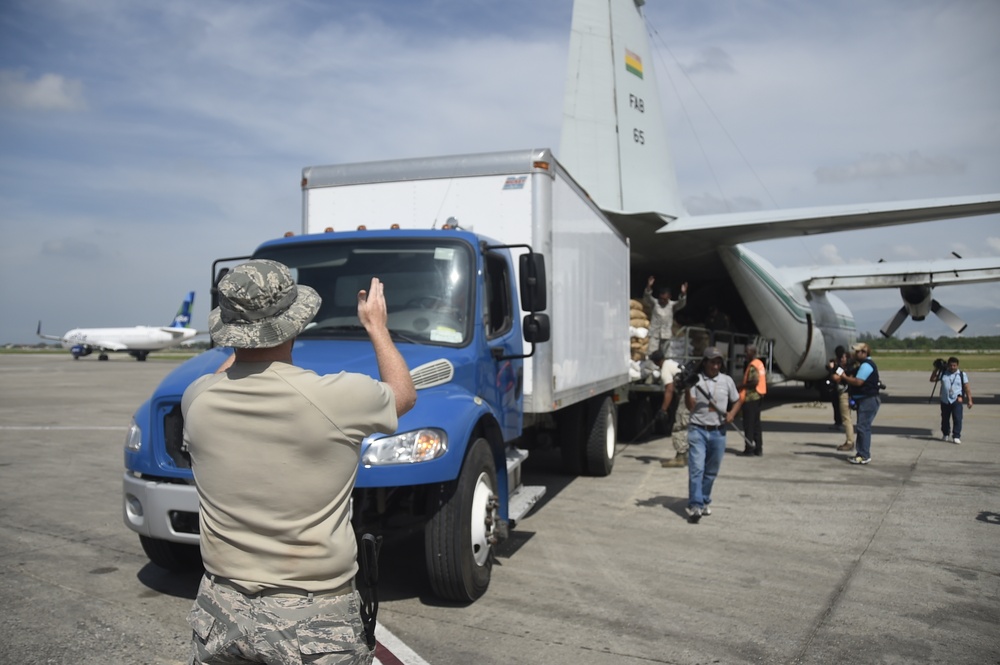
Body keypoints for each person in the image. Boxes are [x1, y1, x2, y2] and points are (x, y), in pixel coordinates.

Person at [181, 259, 416, 665]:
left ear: (230, 326)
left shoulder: (197, 398)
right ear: (296, 324)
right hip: (312, 617)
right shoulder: (338, 398)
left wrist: (247, 337)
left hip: (220, 608)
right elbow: (403, 394)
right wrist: (376, 326)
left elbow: (234, 368)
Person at [684, 346, 742, 523]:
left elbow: (737, 400)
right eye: (712, 362)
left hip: (718, 432)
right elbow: (690, 406)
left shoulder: (727, 381)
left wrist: (732, 413)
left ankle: (704, 499)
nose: (715, 366)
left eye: (718, 362)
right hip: (698, 430)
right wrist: (687, 389)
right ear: (705, 363)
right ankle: (695, 505)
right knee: (697, 469)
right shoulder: (696, 381)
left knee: (711, 471)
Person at [831, 342, 879, 465]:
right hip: (864, 400)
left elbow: (858, 382)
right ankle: (861, 453)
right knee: (863, 427)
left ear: (865, 352)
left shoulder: (866, 366)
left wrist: (844, 377)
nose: (855, 354)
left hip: (868, 400)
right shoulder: (862, 365)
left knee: (863, 428)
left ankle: (864, 455)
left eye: (858, 352)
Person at [650, 350, 689, 468]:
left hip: (688, 393)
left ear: (656, 362)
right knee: (690, 424)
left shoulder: (665, 369)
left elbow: (669, 389)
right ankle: (688, 454)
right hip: (694, 392)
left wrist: (663, 409)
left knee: (679, 424)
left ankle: (681, 457)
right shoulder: (671, 363)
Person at [930, 356, 973, 444]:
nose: (952, 367)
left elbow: (967, 387)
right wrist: (936, 369)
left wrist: (970, 400)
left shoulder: (962, 375)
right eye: (951, 365)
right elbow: (932, 379)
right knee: (945, 419)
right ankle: (945, 434)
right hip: (945, 400)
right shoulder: (943, 373)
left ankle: (956, 436)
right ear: (948, 365)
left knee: (957, 418)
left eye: (954, 365)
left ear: (957, 365)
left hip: (957, 399)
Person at [643, 276, 688, 356]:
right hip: (654, 334)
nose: (662, 301)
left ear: (669, 297)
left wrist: (683, 294)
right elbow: (647, 297)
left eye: (665, 299)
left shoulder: (672, 305)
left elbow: (681, 303)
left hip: (666, 334)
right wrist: (649, 286)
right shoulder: (655, 303)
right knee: (651, 353)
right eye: (661, 298)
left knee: (665, 355)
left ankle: (663, 368)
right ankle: (650, 368)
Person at [737, 344, 766, 456]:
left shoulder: (753, 365)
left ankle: (749, 449)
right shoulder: (759, 364)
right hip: (758, 397)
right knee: (756, 424)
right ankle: (758, 448)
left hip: (751, 398)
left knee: (749, 424)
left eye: (747, 352)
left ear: (752, 353)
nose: (745, 354)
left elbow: (754, 381)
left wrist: (741, 386)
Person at [832, 346, 857, 453]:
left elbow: (837, 378)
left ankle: (850, 442)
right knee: (848, 418)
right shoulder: (848, 367)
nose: (842, 359)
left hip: (845, 394)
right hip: (850, 393)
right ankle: (851, 441)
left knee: (846, 419)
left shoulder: (845, 368)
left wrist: (836, 369)